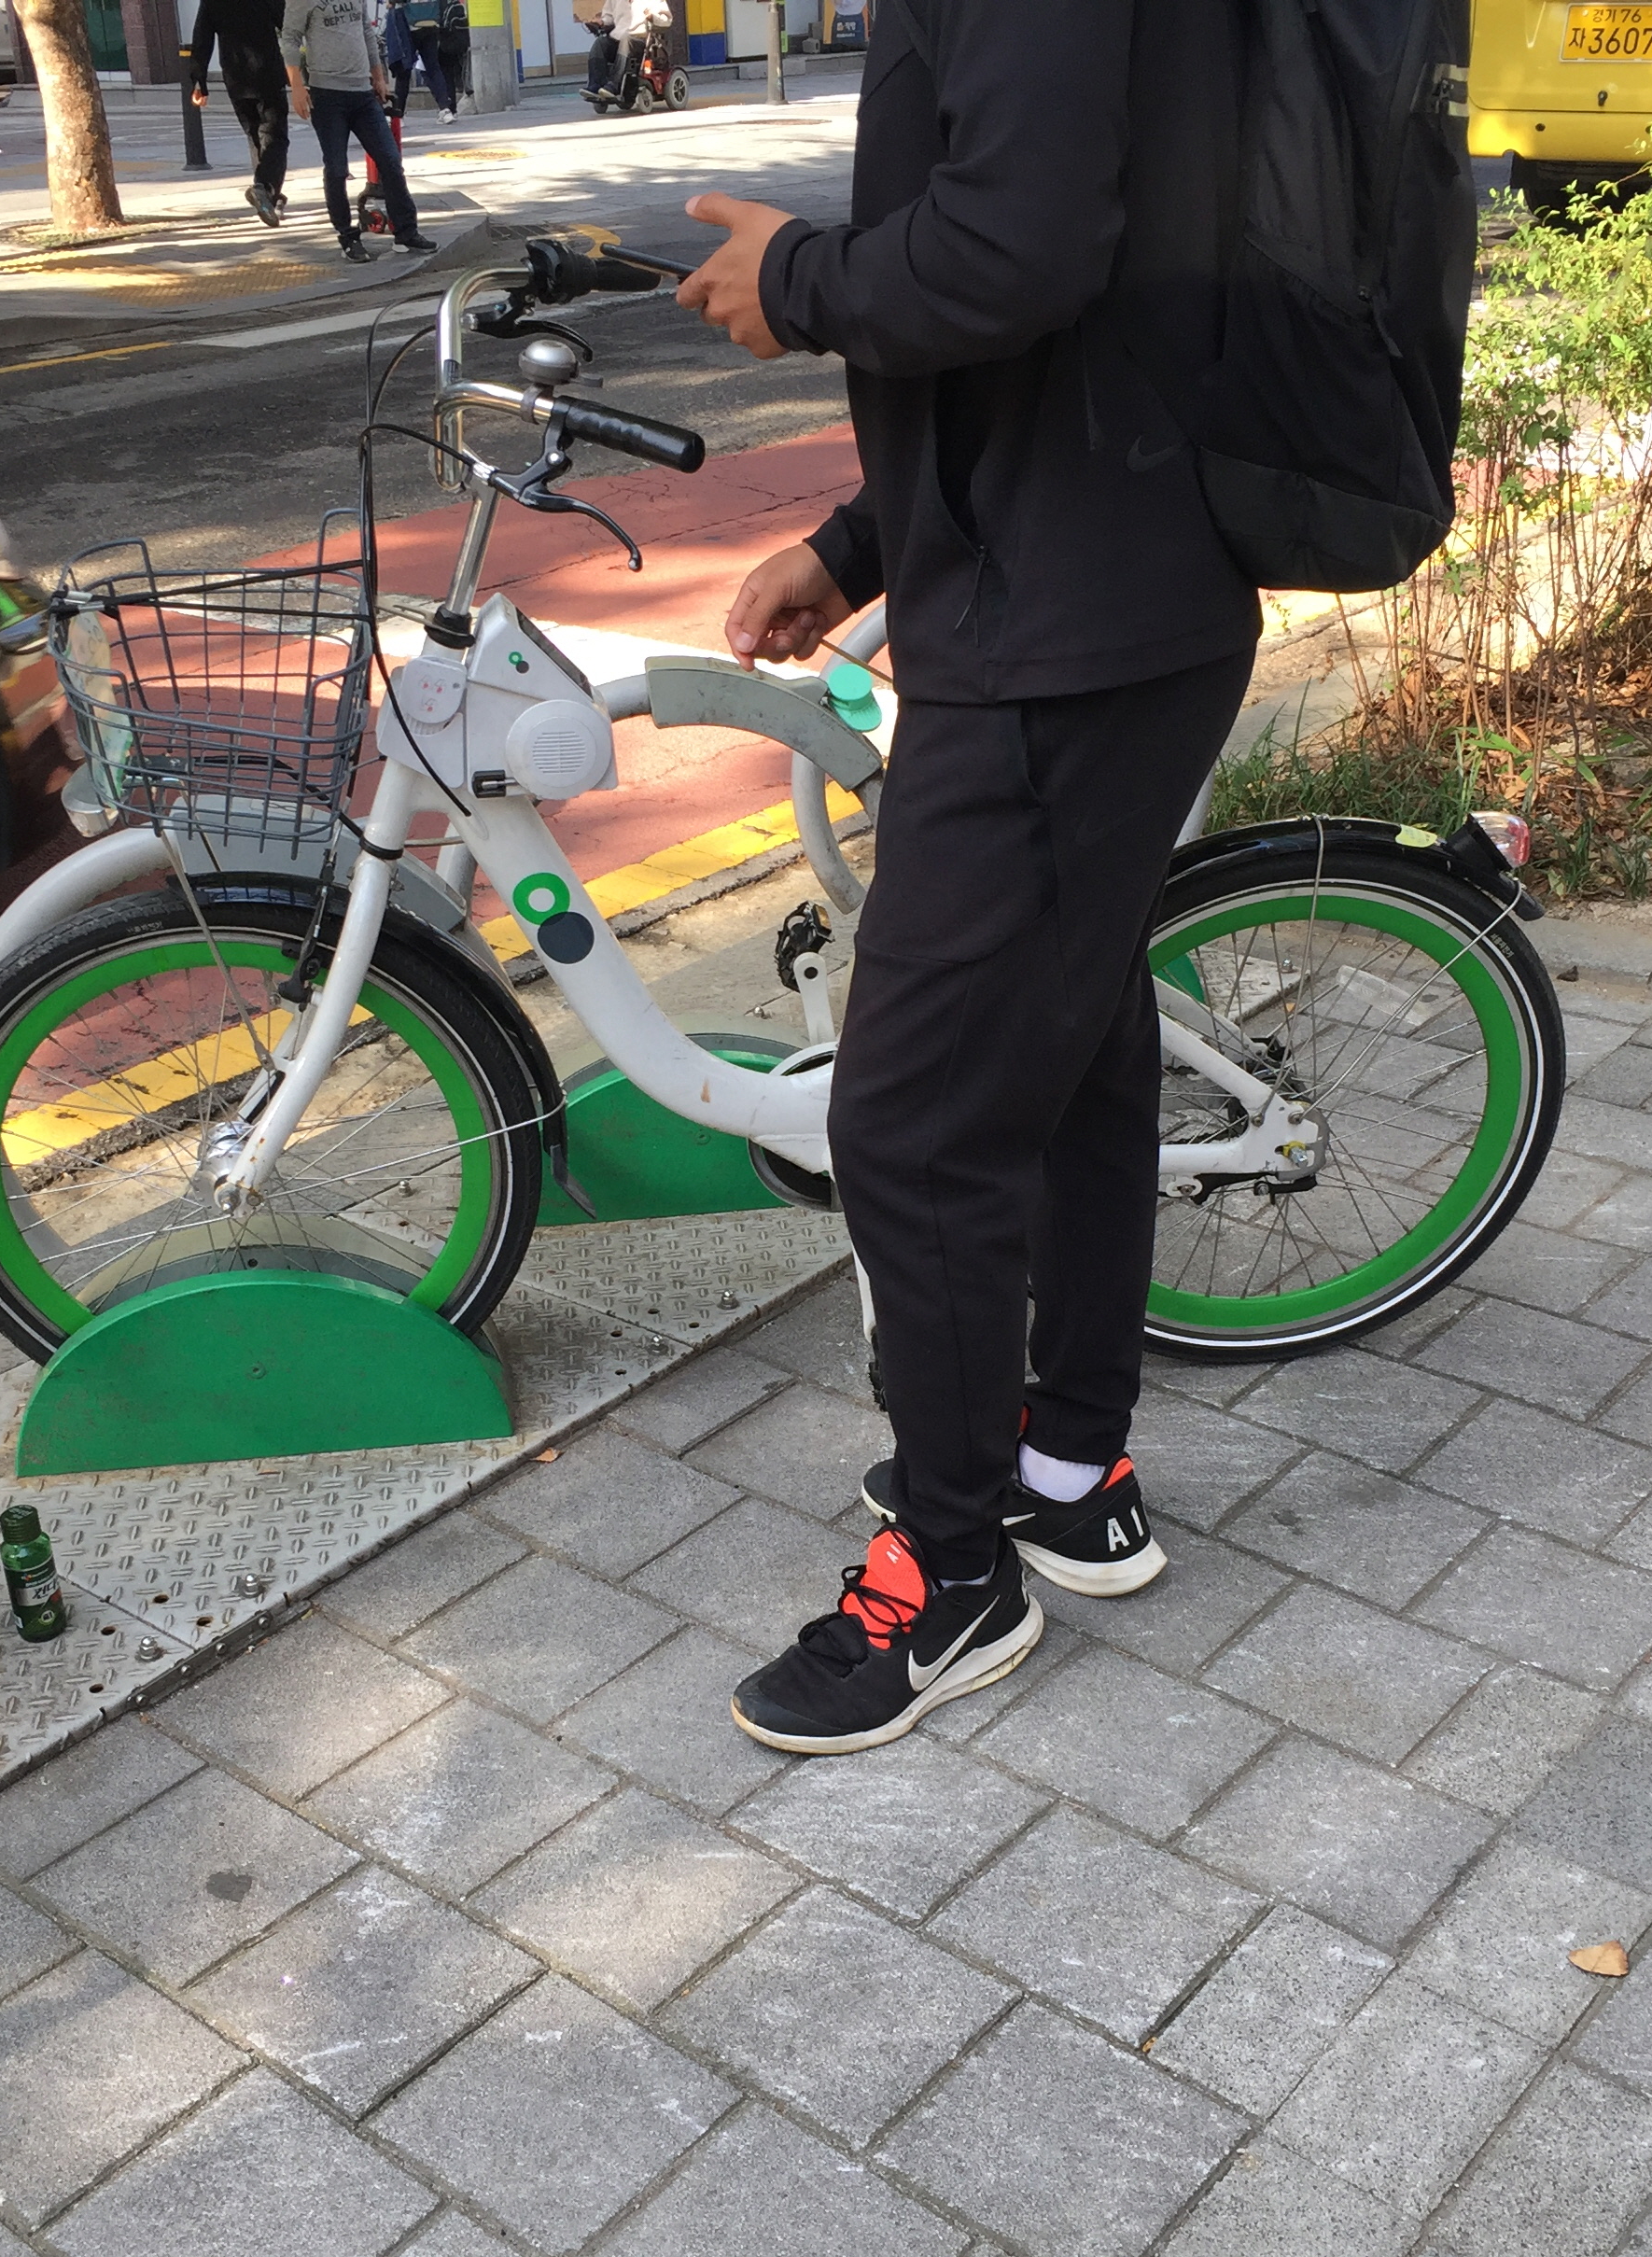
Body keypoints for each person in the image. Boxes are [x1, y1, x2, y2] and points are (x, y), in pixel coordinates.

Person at [675, 0, 1261, 1754]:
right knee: (1074, 1057)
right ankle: (1067, 1476)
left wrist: (794, 279)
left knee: (912, 1122)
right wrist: (861, 545)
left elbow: (1016, 250)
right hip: (1103, 584)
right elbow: (1095, 310)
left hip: (1057, 642)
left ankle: (950, 1576)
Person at [283, 0, 432, 261]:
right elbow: (290, 38)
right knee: (337, 169)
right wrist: (296, 85)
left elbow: (365, 31)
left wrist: (378, 76)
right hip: (327, 95)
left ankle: (406, 232)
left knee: (390, 160)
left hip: (363, 92)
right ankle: (348, 236)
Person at [188, 0, 291, 227]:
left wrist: (199, 80)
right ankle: (264, 188)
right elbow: (288, 22)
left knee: (255, 134)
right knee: (275, 137)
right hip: (267, 73)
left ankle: (268, 196)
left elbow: (202, 37)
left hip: (236, 78)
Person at [387, 0, 456, 117]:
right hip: (431, 23)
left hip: (409, 26)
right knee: (433, 68)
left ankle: (398, 114)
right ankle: (445, 109)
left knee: (404, 70)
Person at [610, 0, 668, 102]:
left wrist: (653, 17)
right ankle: (596, 84)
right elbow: (610, 18)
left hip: (641, 39)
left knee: (626, 39)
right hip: (621, 37)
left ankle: (614, 84)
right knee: (602, 42)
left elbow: (666, 20)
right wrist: (602, 22)